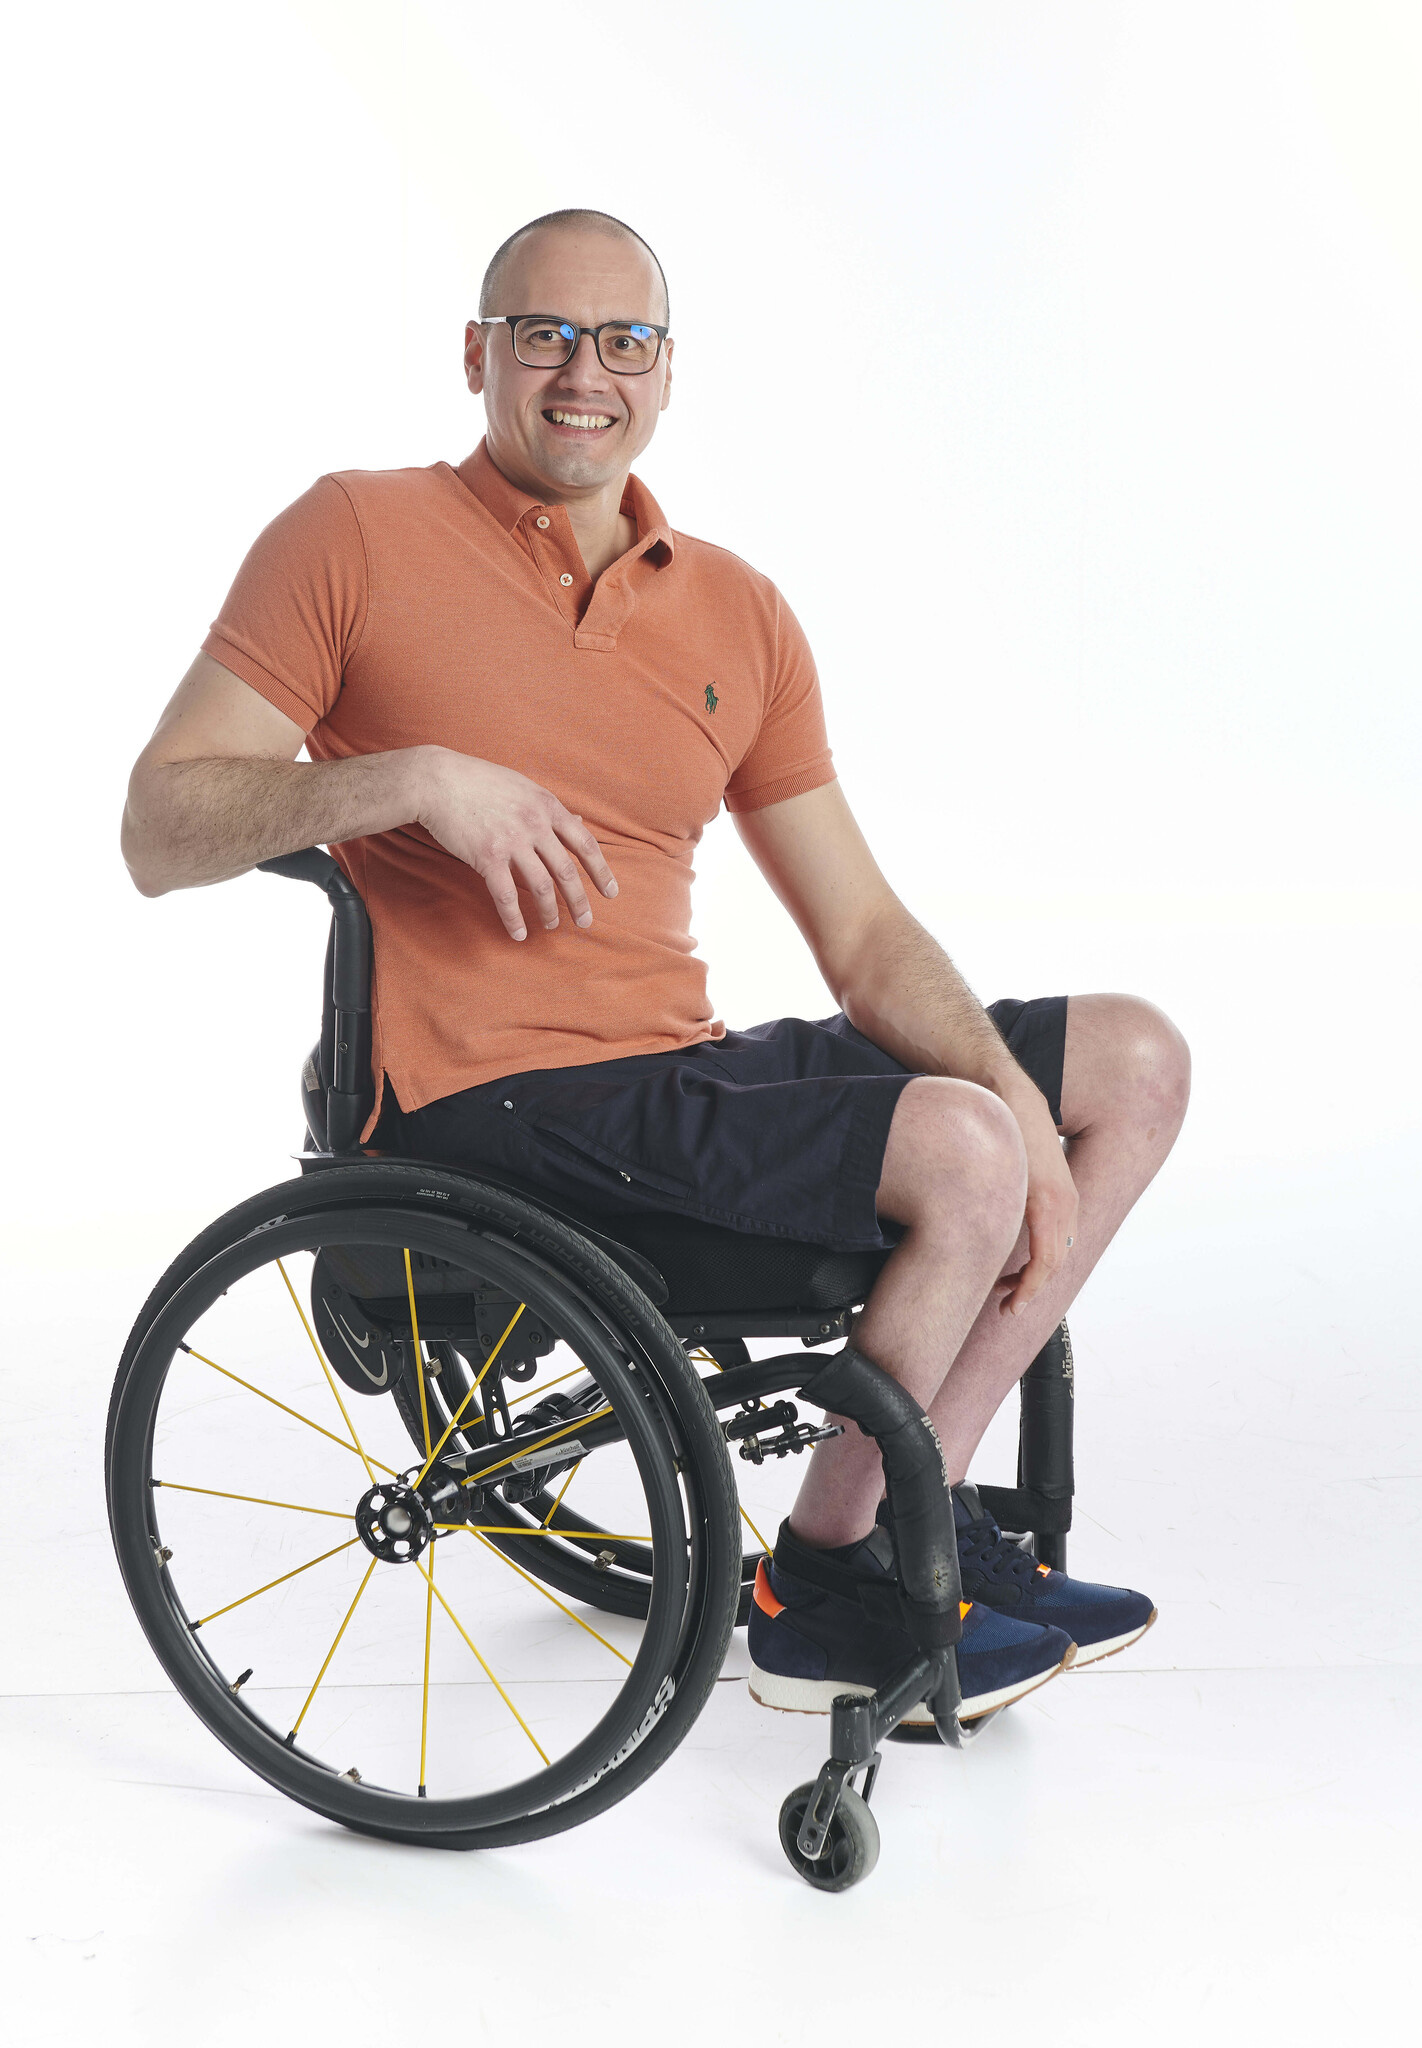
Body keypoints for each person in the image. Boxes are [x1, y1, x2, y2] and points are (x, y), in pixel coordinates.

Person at [122, 208, 1190, 1727]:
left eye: (623, 341)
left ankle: (916, 1526)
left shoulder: (736, 610)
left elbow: (864, 934)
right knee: (959, 1146)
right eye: (545, 335)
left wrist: (1016, 1093)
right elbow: (159, 827)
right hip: (485, 1095)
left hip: (671, 1072)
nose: (584, 374)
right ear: (477, 353)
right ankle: (831, 1580)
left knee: (1130, 1060)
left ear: (666, 370)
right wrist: (411, 779)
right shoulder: (352, 534)